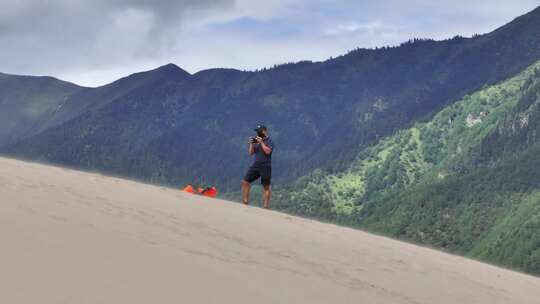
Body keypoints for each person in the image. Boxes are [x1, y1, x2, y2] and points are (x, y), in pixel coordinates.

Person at [241, 124, 274, 209]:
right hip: (256, 165)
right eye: (257, 132)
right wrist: (251, 144)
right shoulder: (256, 141)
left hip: (266, 166)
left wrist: (261, 142)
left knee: (266, 186)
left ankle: (266, 206)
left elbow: (268, 152)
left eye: (259, 131)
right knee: (245, 181)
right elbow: (250, 153)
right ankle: (245, 201)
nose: (257, 133)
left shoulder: (269, 141)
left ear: (264, 131)